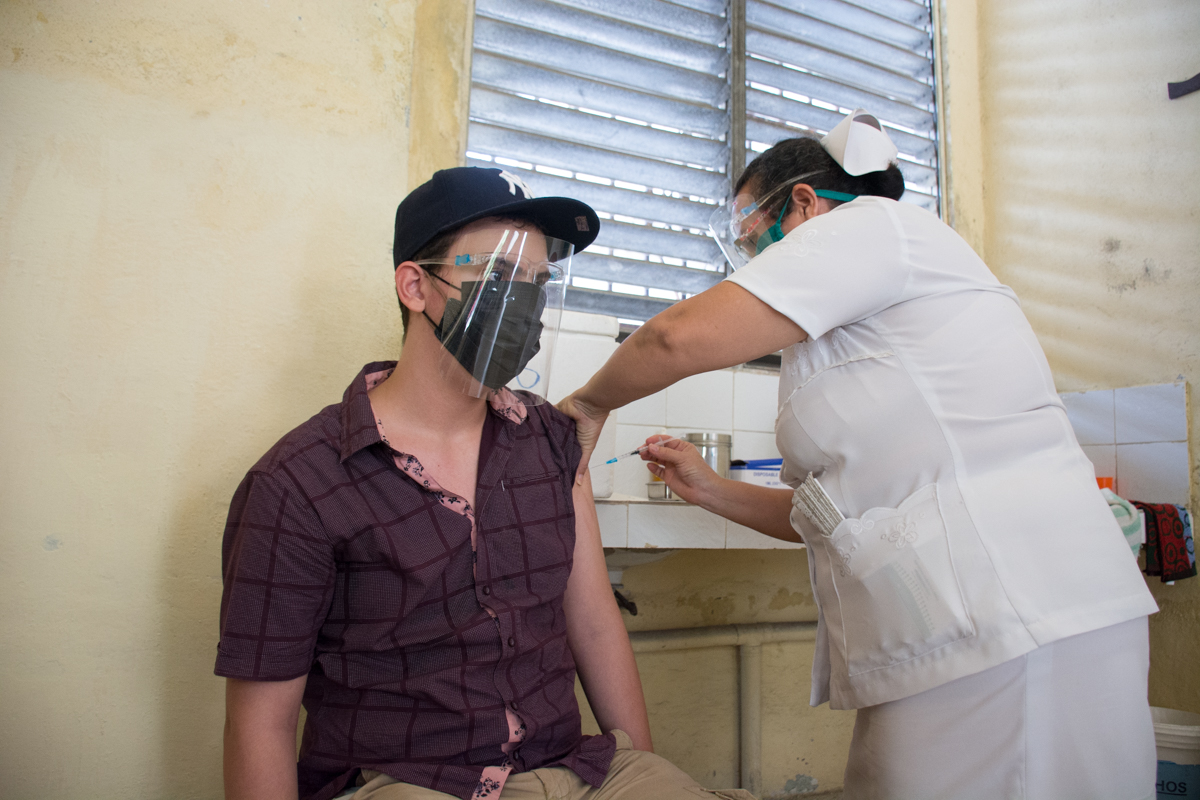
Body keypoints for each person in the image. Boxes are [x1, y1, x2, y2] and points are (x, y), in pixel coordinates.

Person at [557, 111, 1160, 800]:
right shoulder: (849, 327)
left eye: (752, 238)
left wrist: (588, 404)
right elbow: (831, 516)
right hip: (971, 619)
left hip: (1018, 607)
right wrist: (709, 487)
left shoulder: (875, 227)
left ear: (806, 202)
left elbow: (673, 340)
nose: (753, 263)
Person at [216, 167, 753, 800]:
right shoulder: (298, 483)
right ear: (416, 285)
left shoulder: (550, 443)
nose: (523, 303)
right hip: (408, 782)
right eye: (497, 278)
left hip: (571, 769)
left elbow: (593, 620)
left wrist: (636, 768)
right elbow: (261, 721)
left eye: (538, 283)